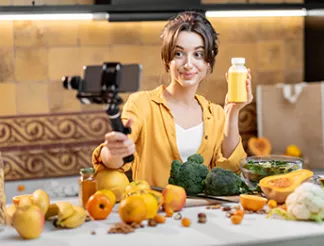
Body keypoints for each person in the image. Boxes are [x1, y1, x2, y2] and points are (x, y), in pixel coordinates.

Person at [92, 10, 253, 188]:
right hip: (152, 211)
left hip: (203, 213)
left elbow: (231, 171)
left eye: (198, 54)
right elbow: (116, 159)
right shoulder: (142, 105)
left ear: (208, 63)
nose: (188, 64)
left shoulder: (215, 114)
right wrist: (112, 152)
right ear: (168, 60)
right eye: (179, 53)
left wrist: (232, 111)